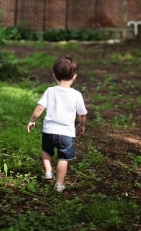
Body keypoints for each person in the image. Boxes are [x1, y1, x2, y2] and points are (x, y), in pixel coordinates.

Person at [27, 56, 87, 192]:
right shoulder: (76, 95)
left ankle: (48, 171)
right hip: (66, 134)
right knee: (63, 158)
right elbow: (82, 114)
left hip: (49, 131)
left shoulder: (50, 91)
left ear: (54, 76)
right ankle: (59, 184)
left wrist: (32, 120)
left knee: (46, 152)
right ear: (74, 77)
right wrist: (82, 125)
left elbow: (40, 108)